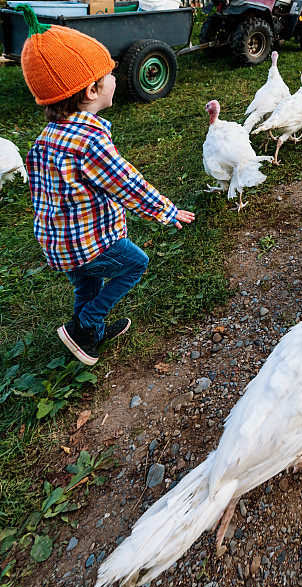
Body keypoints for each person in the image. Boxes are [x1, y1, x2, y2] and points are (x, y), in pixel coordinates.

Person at [16, 5, 195, 365]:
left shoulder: (46, 138)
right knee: (135, 263)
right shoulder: (90, 142)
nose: (115, 76)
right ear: (91, 90)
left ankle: (87, 337)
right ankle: (86, 324)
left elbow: (40, 191)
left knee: (86, 284)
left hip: (59, 243)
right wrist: (167, 211)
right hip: (89, 242)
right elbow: (127, 184)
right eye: (110, 72)